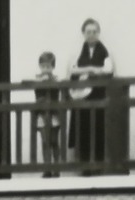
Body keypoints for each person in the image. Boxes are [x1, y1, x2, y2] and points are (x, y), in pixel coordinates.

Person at [67, 18, 115, 166]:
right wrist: (91, 69)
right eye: (88, 32)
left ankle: (98, 164)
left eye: (94, 31)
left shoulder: (104, 51)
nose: (91, 35)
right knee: (83, 129)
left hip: (98, 96)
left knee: (98, 128)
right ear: (83, 33)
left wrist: (93, 71)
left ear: (98, 33)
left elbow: (108, 70)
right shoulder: (78, 51)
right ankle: (84, 165)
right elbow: (72, 69)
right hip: (81, 97)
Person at [32, 51, 65, 168]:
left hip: (54, 114)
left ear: (53, 67)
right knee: (45, 141)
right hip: (41, 114)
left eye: (49, 67)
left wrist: (50, 80)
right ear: (40, 66)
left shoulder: (56, 78)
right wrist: (42, 80)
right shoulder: (37, 79)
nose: (46, 69)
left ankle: (56, 167)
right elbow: (33, 86)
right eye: (43, 66)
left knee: (54, 141)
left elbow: (59, 85)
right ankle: (47, 168)